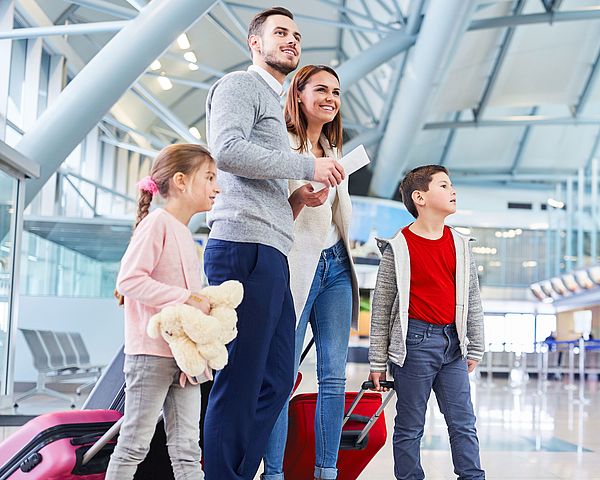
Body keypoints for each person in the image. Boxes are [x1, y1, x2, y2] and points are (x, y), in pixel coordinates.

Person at [202, 7, 345, 480]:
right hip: (242, 245)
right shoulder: (241, 87)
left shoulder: (271, 97)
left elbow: (261, 181)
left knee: (279, 377)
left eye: (297, 35)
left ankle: (237, 470)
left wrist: (298, 199)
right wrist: (306, 167)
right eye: (280, 33)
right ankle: (224, 473)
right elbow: (225, 149)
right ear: (254, 44)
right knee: (242, 378)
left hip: (271, 248)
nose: (292, 41)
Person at [262, 65, 359, 480]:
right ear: (298, 94)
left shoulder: (335, 154)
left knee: (333, 374)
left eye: (336, 92)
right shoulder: (280, 147)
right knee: (282, 375)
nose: (330, 98)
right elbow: (267, 216)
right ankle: (274, 473)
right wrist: (301, 196)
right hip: (295, 267)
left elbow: (339, 214)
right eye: (321, 89)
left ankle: (326, 471)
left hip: (336, 266)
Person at [106, 144, 220, 480]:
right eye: (210, 177)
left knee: (188, 450)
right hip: (151, 356)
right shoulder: (158, 223)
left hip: (186, 360)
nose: (217, 187)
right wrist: (186, 298)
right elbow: (129, 280)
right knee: (133, 446)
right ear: (182, 181)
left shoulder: (184, 233)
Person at [368, 165, 485, 480]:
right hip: (414, 344)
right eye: (445, 185)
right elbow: (381, 307)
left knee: (463, 422)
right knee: (410, 426)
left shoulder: (461, 244)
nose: (453, 191)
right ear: (419, 197)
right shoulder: (399, 246)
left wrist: (476, 345)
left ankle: (472, 476)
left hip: (454, 346)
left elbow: (472, 299)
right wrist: (377, 361)